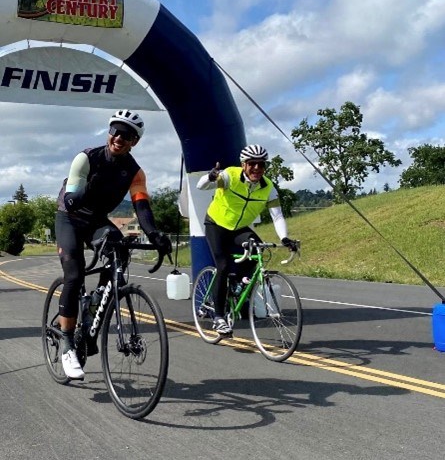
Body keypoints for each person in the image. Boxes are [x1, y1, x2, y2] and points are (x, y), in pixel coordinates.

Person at [56, 109, 172, 380]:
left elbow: (142, 207)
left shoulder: (134, 172)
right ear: (109, 133)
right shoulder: (86, 158)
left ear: (135, 141)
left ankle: (96, 302)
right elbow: (72, 198)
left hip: (97, 219)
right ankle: (67, 343)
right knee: (74, 273)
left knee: (120, 250)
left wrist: (155, 234)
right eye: (116, 131)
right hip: (69, 218)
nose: (119, 137)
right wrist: (85, 190)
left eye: (127, 134)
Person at [197, 144, 299, 336]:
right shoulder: (229, 176)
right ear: (244, 164)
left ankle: (238, 282)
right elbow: (200, 186)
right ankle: (219, 317)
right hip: (216, 224)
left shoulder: (268, 188)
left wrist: (284, 238)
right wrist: (211, 177)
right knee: (223, 265)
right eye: (252, 164)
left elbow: (277, 216)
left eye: (261, 165)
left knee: (258, 250)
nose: (257, 169)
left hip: (239, 228)